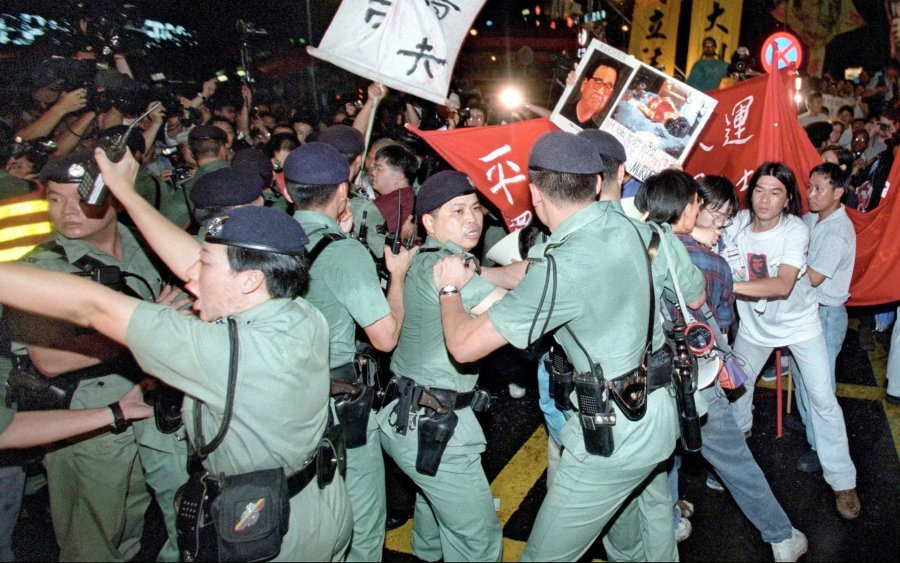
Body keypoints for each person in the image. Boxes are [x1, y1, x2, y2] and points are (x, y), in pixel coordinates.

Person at [2, 146, 355, 560]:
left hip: (268, 532)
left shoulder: (221, 351)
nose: (190, 278)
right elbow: (193, 261)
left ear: (248, 281)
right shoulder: (297, 312)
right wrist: (127, 194)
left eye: (204, 266)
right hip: (319, 504)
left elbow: (91, 304)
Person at [433, 132, 696, 561]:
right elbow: (540, 275)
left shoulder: (563, 266)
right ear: (597, 184)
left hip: (611, 438)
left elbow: (463, 346)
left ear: (535, 194)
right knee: (631, 543)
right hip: (658, 415)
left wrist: (449, 285)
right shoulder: (640, 231)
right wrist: (484, 275)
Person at [3, 151, 190, 561]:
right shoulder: (41, 269)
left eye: (80, 197)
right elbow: (50, 360)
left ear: (116, 200)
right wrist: (149, 326)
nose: (67, 212)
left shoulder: (143, 240)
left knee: (138, 533)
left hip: (148, 406)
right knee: (91, 542)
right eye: (55, 199)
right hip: (89, 420)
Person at [638, 172, 807, 562]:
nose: (715, 217)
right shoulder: (710, 263)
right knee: (736, 462)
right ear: (688, 208)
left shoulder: (639, 247)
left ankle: (668, 521)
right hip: (696, 380)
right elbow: (722, 321)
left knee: (661, 457)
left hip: (648, 379)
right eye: (704, 205)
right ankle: (782, 537)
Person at [376, 170, 527, 561]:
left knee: (432, 525)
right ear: (429, 222)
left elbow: (503, 275)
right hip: (435, 429)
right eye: (457, 210)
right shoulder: (449, 264)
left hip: (408, 418)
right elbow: (514, 313)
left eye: (475, 207)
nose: (472, 218)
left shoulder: (428, 259)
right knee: (477, 542)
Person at [283, 141, 415, 561]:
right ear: (343, 192)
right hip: (340, 402)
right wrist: (397, 278)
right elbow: (385, 337)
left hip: (281, 394)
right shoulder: (344, 252)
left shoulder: (266, 241)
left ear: (287, 192)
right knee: (361, 513)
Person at [721, 161, 860, 520]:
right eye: (759, 190)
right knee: (736, 388)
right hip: (753, 329)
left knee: (822, 398)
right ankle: (734, 461)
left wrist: (726, 284)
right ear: (750, 193)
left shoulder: (795, 230)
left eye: (776, 192)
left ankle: (842, 479)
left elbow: (783, 284)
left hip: (802, 325)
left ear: (787, 200)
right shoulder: (735, 224)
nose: (765, 199)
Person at [791, 163, 856, 473]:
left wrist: (784, 268)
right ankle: (809, 429)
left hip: (826, 316)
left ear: (838, 193)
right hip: (809, 312)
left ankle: (822, 449)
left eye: (819, 189)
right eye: (810, 187)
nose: (811, 194)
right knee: (804, 380)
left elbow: (813, 277)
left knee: (820, 389)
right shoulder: (815, 218)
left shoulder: (838, 232)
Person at [569, 62, 619, 126]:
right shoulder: (560, 109)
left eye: (608, 87)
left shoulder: (596, 132)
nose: (600, 92)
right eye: (598, 82)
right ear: (584, 84)